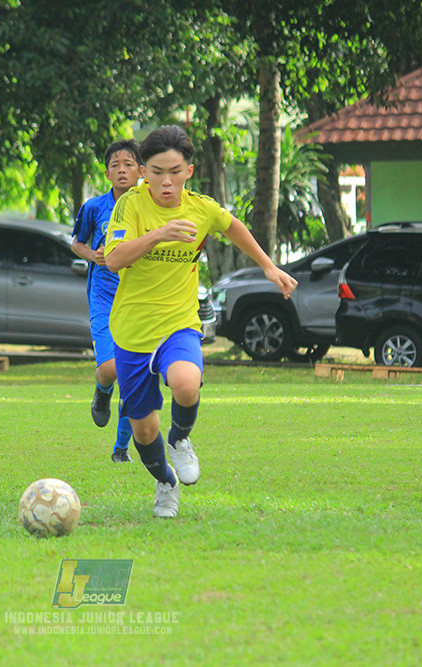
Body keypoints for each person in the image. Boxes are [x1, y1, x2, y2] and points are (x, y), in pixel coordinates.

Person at [104, 125, 297, 518]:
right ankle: (165, 482)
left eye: (174, 171)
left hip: (179, 320)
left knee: (186, 385)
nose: (166, 181)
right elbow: (114, 258)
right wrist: (159, 234)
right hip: (132, 328)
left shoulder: (201, 206)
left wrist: (268, 266)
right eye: (156, 172)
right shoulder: (130, 206)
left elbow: (233, 227)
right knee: (142, 430)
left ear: (189, 171)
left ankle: (180, 438)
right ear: (143, 172)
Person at [71, 139, 144, 463]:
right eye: (115, 165)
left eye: (128, 164)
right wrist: (94, 256)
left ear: (141, 170)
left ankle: (121, 448)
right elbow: (77, 243)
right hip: (103, 295)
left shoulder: (149, 206)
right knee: (112, 368)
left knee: (134, 374)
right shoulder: (93, 207)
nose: (122, 170)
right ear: (106, 173)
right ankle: (102, 393)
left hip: (139, 297)